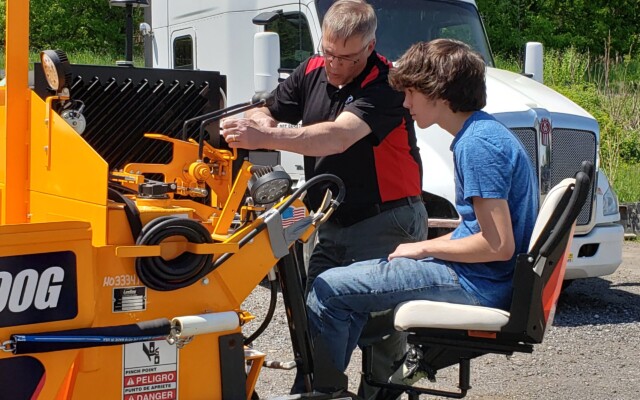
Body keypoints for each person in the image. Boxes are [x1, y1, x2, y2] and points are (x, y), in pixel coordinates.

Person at [305, 38, 539, 387]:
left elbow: (498, 245)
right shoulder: (483, 132)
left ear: (438, 92)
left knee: (328, 288)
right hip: (481, 277)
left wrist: (423, 247)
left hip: (477, 284)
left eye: (411, 93)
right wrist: (423, 249)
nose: (405, 102)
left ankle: (322, 391)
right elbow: (482, 232)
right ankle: (339, 386)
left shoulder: (477, 145)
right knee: (350, 285)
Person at [222, 1, 427, 398]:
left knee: (382, 329)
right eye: (329, 52)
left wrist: (266, 135)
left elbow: (337, 136)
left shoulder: (387, 84)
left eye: (346, 58)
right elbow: (266, 108)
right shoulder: (313, 70)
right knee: (317, 308)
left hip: (386, 222)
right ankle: (319, 389)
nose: (334, 64)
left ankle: (378, 392)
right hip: (330, 219)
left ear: (370, 47)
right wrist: (262, 121)